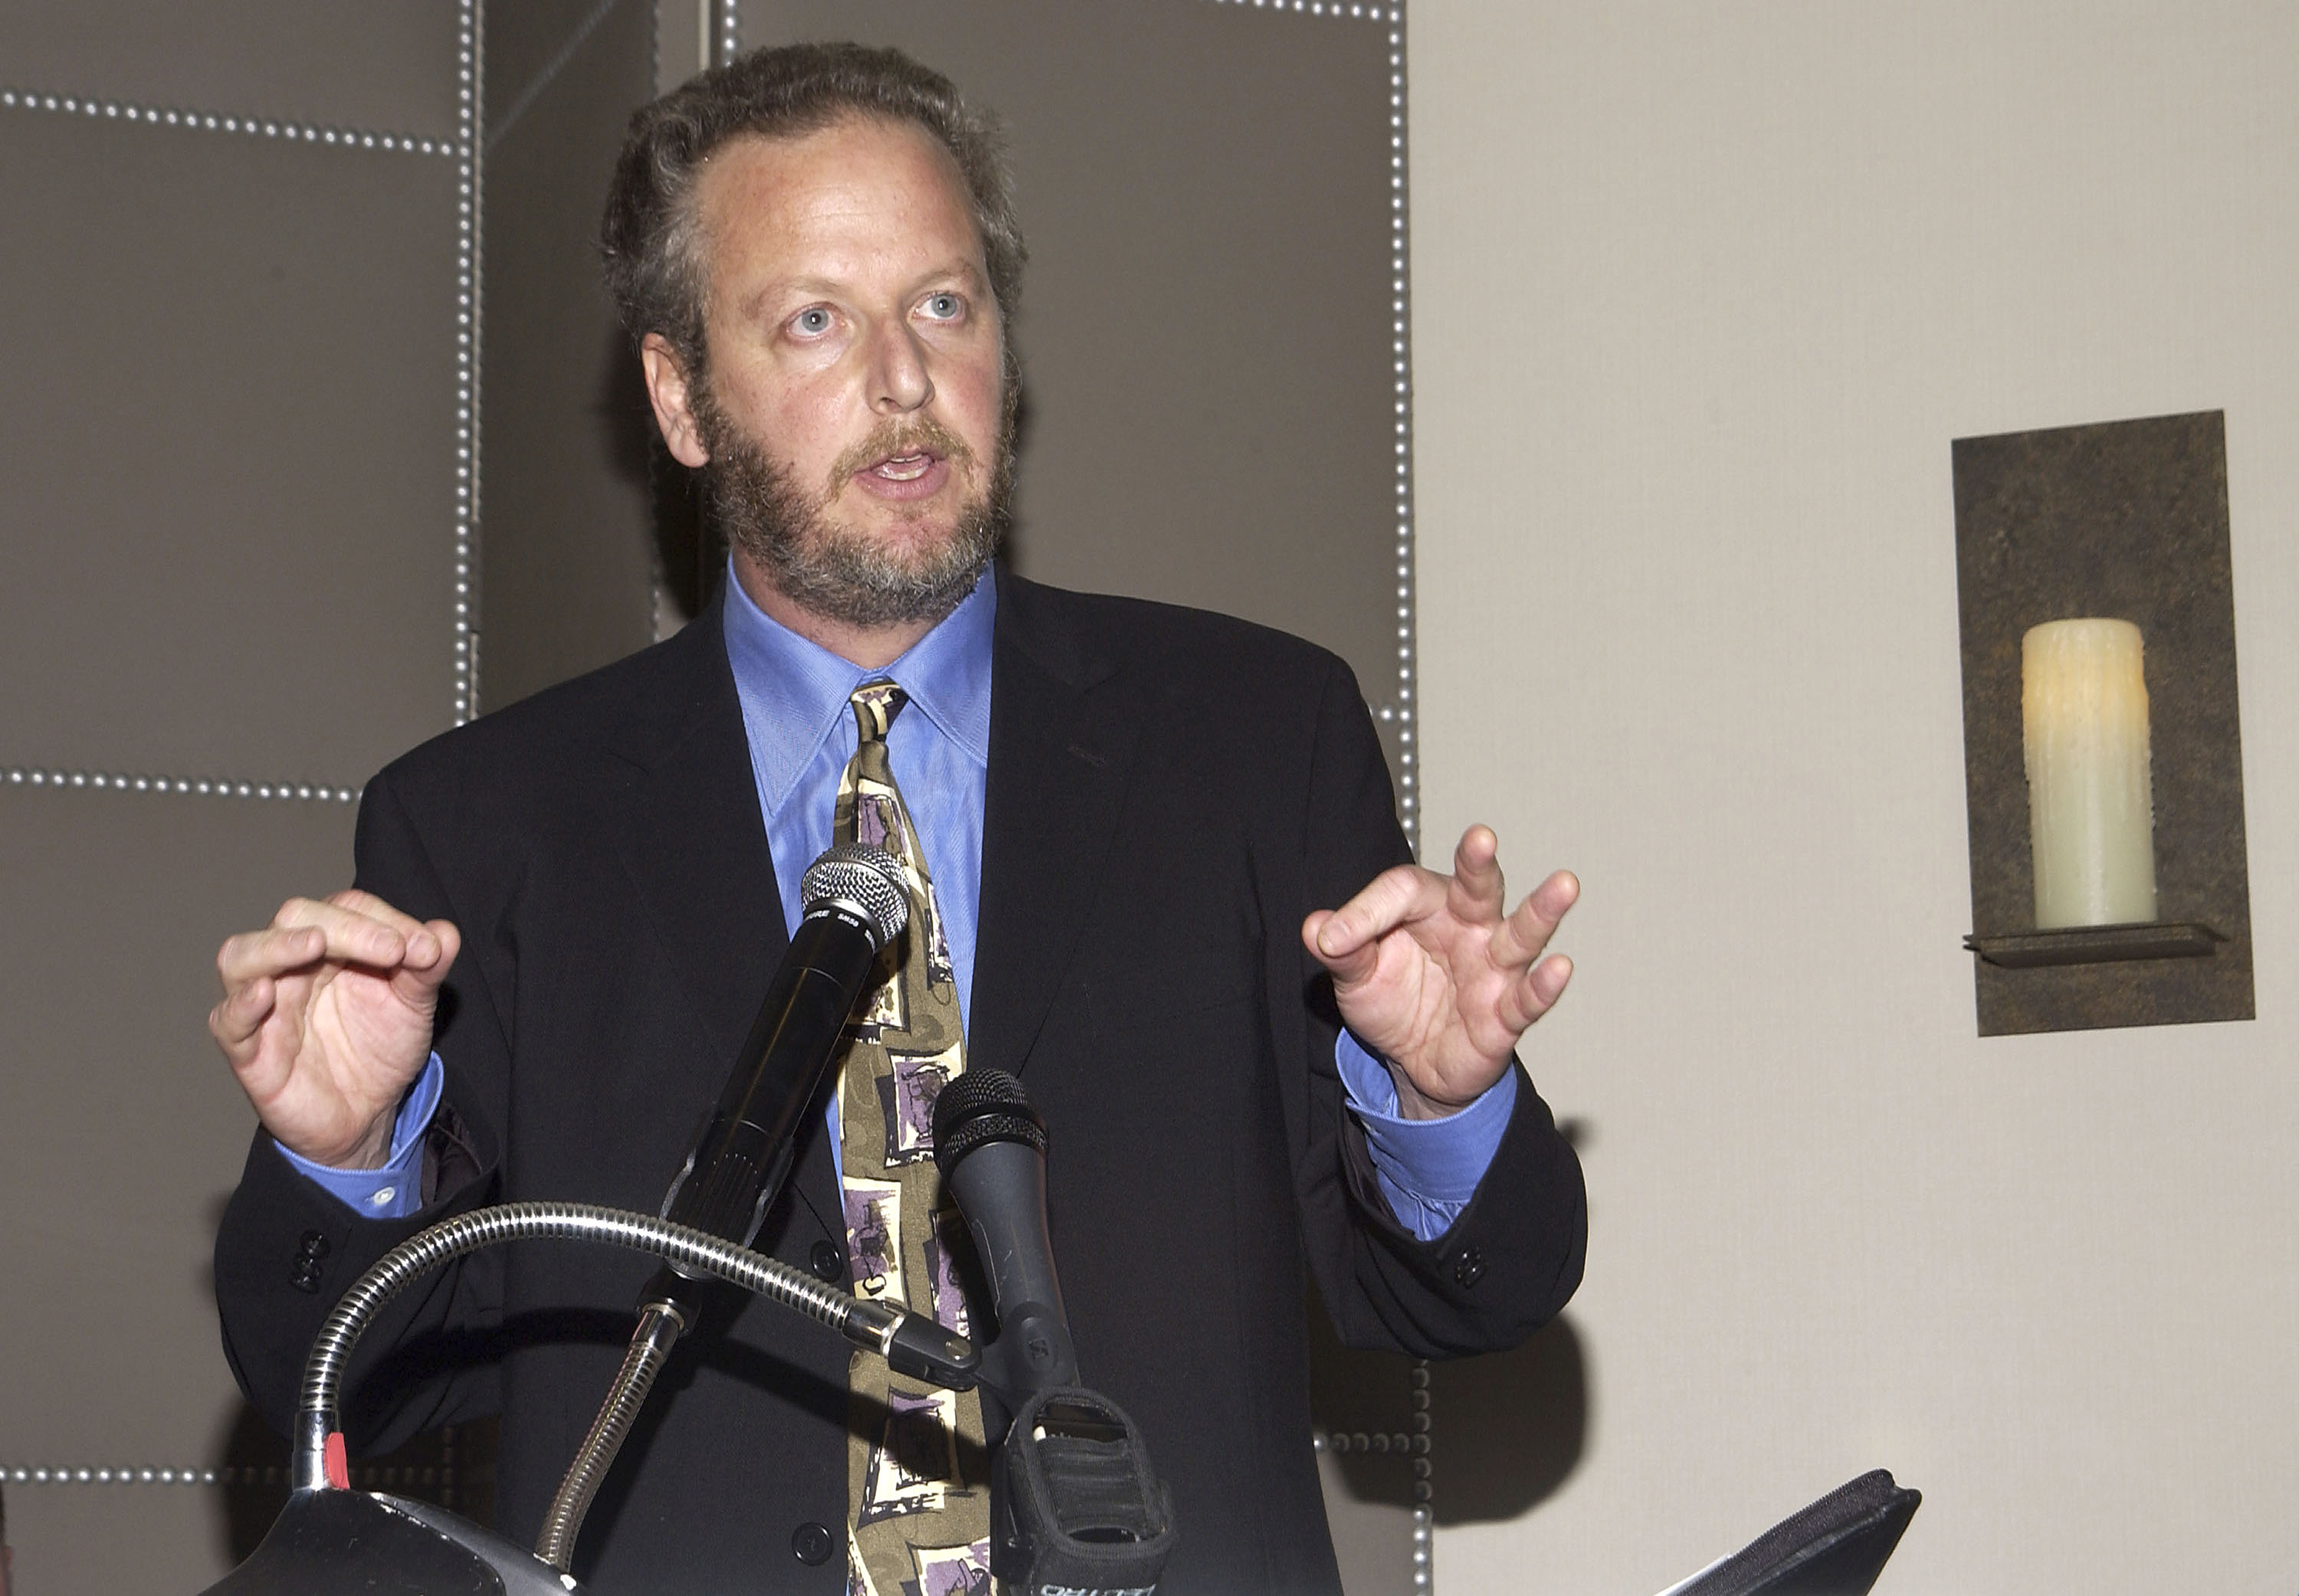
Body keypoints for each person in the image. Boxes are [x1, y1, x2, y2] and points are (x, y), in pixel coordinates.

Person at [208, 42, 1585, 1594]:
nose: (904, 383)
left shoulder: (1256, 739)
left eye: (944, 304)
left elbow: (1478, 1298)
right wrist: (350, 1159)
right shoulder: (490, 828)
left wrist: (1438, 1107)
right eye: (814, 320)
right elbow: (368, 1386)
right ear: (679, 395)